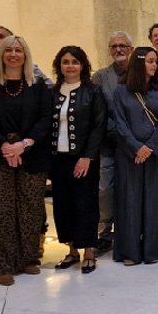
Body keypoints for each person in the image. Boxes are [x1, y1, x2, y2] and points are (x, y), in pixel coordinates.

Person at [0, 35, 54, 286]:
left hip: (31, 152)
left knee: (30, 209)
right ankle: (2, 265)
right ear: (0, 55)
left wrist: (24, 145)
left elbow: (45, 119)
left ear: (25, 55)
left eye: (18, 50)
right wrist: (5, 146)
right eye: (8, 50)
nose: (13, 54)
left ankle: (28, 259)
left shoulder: (38, 85)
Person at [48, 46, 107, 274]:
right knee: (63, 205)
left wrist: (87, 157)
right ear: (59, 66)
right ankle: (72, 251)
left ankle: (89, 253)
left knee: (86, 205)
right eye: (65, 62)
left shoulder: (93, 92)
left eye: (75, 61)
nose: (70, 66)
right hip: (57, 159)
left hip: (84, 159)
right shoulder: (51, 92)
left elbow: (98, 126)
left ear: (82, 65)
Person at [112, 46, 158, 266]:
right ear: (138, 63)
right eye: (150, 61)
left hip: (155, 155)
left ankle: (152, 250)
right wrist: (136, 147)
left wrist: (150, 147)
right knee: (129, 201)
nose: (154, 65)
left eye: (155, 61)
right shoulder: (121, 91)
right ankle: (130, 251)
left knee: (155, 201)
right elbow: (120, 123)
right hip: (129, 155)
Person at [91, 31, 132, 257]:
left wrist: (132, 137)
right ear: (109, 51)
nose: (118, 49)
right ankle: (104, 234)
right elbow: (99, 112)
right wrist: (119, 133)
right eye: (114, 46)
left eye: (122, 45)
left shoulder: (140, 73)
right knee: (105, 189)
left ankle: (128, 233)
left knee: (130, 190)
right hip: (109, 143)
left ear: (131, 49)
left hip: (135, 146)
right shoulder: (100, 77)